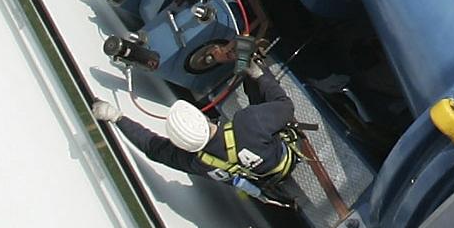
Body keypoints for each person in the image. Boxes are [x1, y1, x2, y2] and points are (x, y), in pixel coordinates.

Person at [95, 92, 309, 206]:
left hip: (267, 182)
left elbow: (152, 147)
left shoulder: (197, 163)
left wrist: (116, 117)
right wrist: (260, 76)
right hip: (287, 156)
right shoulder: (249, 122)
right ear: (202, 116)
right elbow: (285, 106)